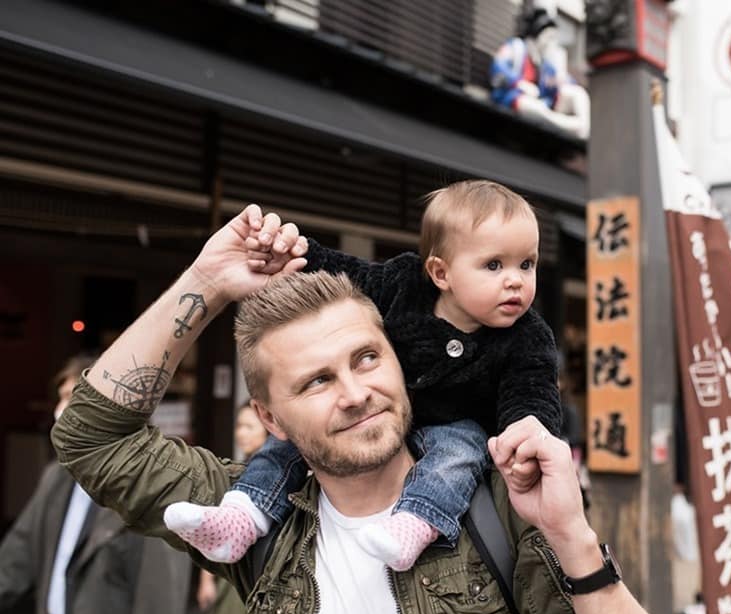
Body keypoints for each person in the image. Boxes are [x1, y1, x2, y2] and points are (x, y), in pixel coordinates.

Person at [51, 206, 670, 614]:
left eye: (367, 358)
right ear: (270, 418)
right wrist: (206, 283)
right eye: (317, 381)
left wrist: (574, 538)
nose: (356, 393)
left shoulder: (503, 510)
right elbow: (92, 437)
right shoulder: (254, 521)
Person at [166, 180, 563, 573]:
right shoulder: (405, 284)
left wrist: (527, 433)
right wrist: (298, 251)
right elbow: (350, 272)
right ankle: (242, 515)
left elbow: (532, 393)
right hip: (377, 415)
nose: (515, 280)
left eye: (526, 264)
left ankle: (414, 524)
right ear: (441, 273)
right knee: (288, 444)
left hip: (453, 426)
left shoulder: (528, 335)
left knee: (459, 453)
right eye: (494, 265)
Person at [0, 356, 191, 614]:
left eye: (71, 397)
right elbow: (16, 558)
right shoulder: (56, 477)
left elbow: (157, 607)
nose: (60, 410)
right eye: (60, 398)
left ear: (108, 407)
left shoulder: (152, 489)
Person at [196, 401, 266, 614]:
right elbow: (217, 522)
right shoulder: (235, 470)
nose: (241, 433)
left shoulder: (274, 476)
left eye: (249, 427)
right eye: (239, 426)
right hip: (232, 572)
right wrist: (207, 579)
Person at [491, 8, 591, 138]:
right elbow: (498, 66)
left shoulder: (545, 64)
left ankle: (582, 128)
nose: (550, 42)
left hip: (543, 101)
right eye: (549, 37)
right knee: (534, 108)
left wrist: (562, 80)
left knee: (578, 93)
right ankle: (567, 126)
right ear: (538, 33)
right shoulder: (516, 48)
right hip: (515, 97)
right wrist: (519, 83)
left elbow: (559, 82)